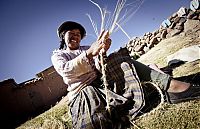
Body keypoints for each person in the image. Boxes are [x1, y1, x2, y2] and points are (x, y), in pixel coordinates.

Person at [51, 21, 200, 129]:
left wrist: (102, 52)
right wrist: (90, 53)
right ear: (63, 36)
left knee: (118, 60)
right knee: (96, 119)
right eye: (72, 34)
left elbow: (99, 66)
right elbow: (66, 70)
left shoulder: (86, 47)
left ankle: (171, 86)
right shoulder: (59, 55)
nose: (75, 37)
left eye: (78, 34)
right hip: (83, 91)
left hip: (102, 84)